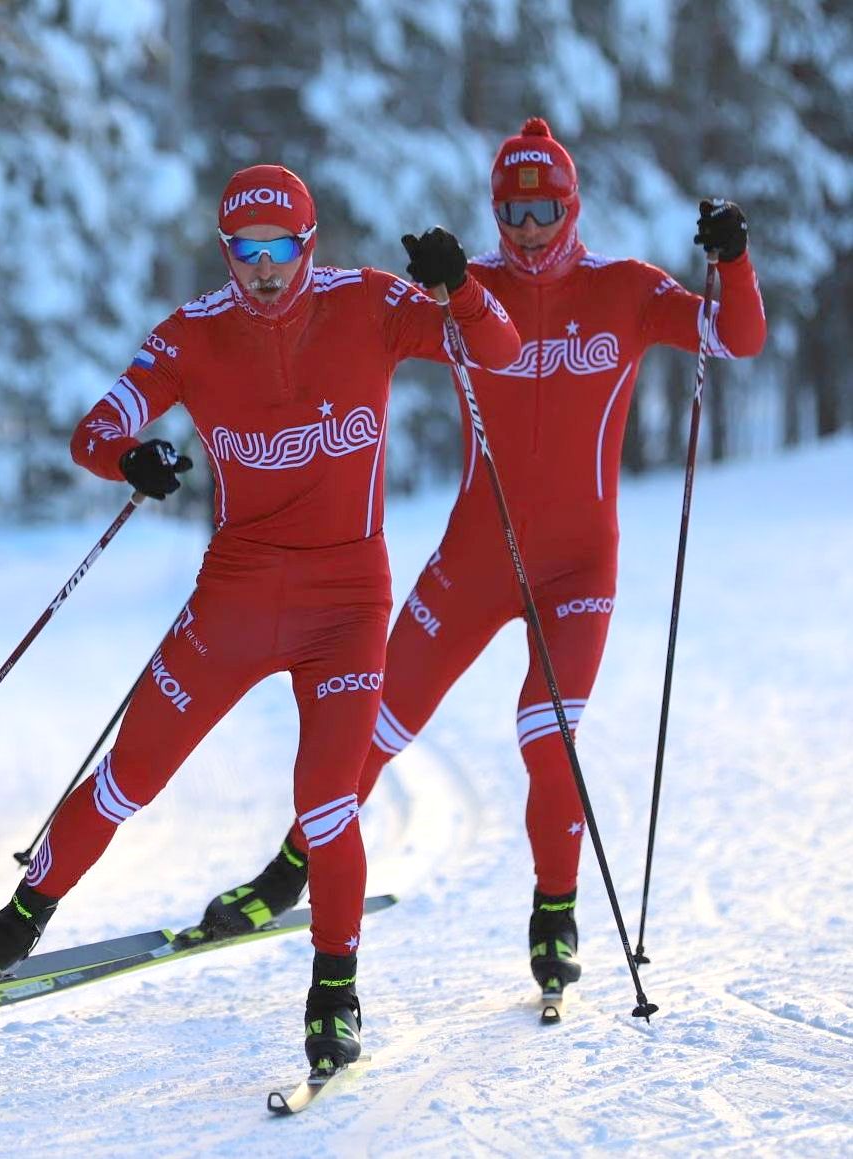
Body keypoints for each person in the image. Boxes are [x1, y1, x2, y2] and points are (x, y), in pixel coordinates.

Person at [0, 163, 521, 1069]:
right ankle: (14, 925)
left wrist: (462, 289)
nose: (265, 269)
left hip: (347, 604)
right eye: (246, 251)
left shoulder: (372, 306)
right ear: (226, 252)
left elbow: (500, 351)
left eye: (281, 250)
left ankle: (335, 991)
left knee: (326, 806)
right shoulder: (193, 333)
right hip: (235, 599)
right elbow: (93, 429)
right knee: (130, 775)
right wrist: (130, 458)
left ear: (310, 244)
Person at [197, 118, 767, 1001]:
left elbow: (736, 338)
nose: (530, 228)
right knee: (376, 727)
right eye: (513, 210)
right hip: (474, 559)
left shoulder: (622, 291)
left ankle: (554, 914)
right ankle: (289, 869)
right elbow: (344, 326)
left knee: (547, 737)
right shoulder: (470, 293)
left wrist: (732, 260)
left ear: (571, 207)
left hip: (579, 568)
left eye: (545, 209)